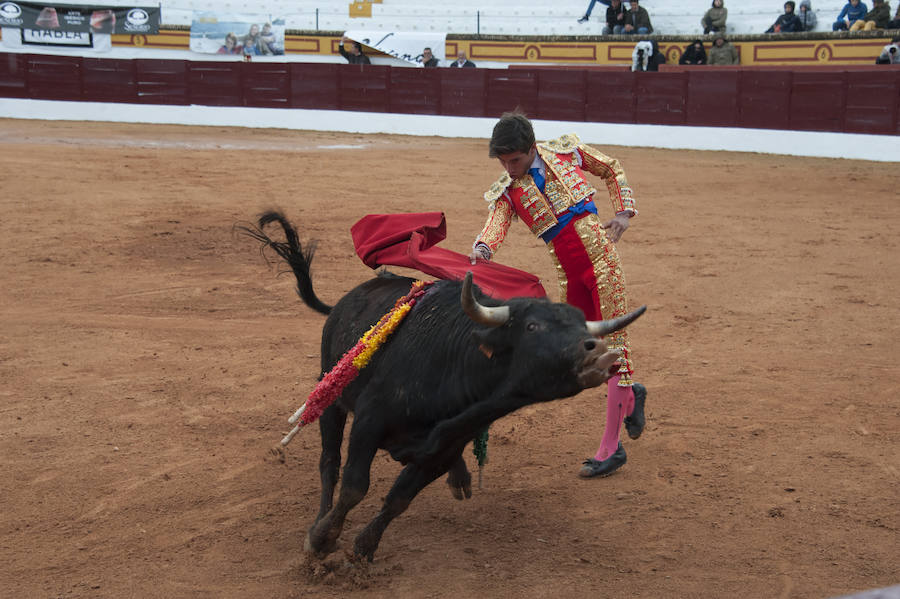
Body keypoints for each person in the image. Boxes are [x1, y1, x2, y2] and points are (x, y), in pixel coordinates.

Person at [468, 112, 648, 479]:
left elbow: (611, 168)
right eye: (502, 162)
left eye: (514, 160)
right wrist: (484, 247)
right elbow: (496, 222)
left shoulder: (566, 152)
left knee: (614, 348)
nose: (509, 168)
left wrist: (624, 213)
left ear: (531, 148)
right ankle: (631, 396)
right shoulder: (509, 189)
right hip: (570, 276)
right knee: (581, 350)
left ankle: (611, 449)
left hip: (602, 263)